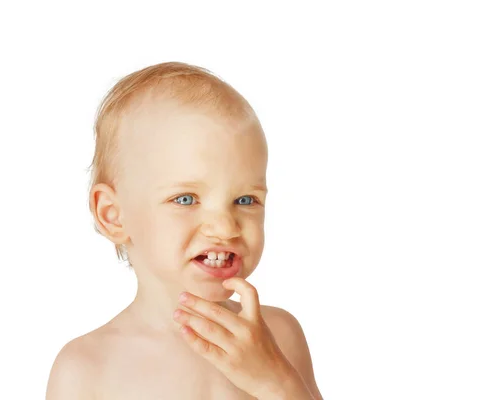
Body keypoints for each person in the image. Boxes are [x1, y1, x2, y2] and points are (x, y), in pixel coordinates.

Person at [46, 61, 323, 400]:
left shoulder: (279, 335)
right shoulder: (86, 369)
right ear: (114, 216)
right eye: (186, 198)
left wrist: (276, 383)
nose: (225, 228)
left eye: (245, 199)